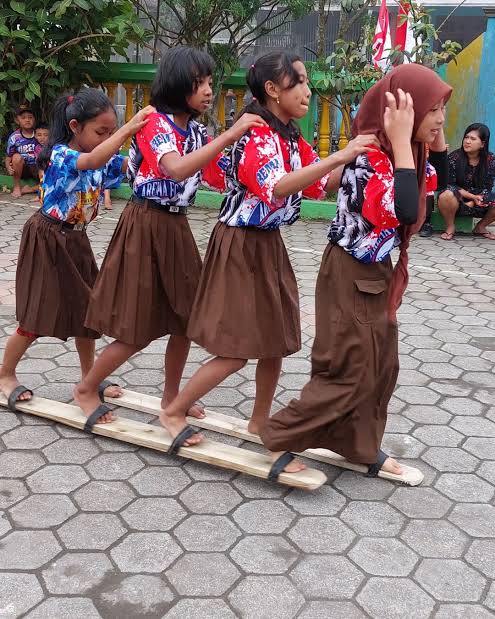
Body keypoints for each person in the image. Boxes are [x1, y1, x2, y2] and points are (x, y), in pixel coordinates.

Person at [159, 51, 379, 452]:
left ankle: (259, 420)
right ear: (273, 90)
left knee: (275, 340)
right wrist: (341, 155)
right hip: (240, 245)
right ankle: (174, 411)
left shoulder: (290, 135)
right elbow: (277, 185)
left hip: (268, 243)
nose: (309, 91)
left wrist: (364, 153)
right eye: (300, 82)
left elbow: (319, 183)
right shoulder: (257, 134)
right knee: (237, 350)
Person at [258, 63, 452, 479]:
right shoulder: (372, 159)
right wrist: (401, 140)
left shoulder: (410, 157)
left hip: (376, 273)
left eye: (441, 109)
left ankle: (358, 445)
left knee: (381, 366)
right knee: (348, 369)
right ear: (402, 113)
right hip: (350, 273)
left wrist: (426, 135)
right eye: (433, 109)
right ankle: (279, 436)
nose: (440, 119)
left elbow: (440, 182)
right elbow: (403, 210)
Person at [74, 46, 266, 430]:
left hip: (177, 228)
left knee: (185, 320)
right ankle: (85, 388)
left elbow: (220, 175)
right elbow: (175, 169)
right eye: (201, 83)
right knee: (137, 327)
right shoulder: (154, 124)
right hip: (144, 226)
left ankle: (171, 397)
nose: (210, 89)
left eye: (210, 81)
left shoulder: (197, 132)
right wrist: (230, 134)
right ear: (179, 85)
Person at [0, 89, 153, 412]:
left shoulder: (101, 155)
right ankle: (5, 374)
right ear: (74, 126)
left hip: (76, 240)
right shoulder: (61, 155)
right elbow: (93, 160)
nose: (107, 138)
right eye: (101, 132)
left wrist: (154, 145)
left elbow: (126, 167)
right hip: (47, 238)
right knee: (36, 316)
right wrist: (130, 129)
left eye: (111, 132)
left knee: (90, 312)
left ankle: (89, 378)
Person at [438, 123, 495, 240]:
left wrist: (474, 201)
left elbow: (487, 188)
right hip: (455, 204)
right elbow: (449, 185)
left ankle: (481, 227)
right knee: (446, 194)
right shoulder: (454, 158)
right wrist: (471, 197)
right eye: (466, 137)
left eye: (473, 139)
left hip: (479, 202)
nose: (467, 141)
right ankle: (450, 226)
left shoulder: (490, 160)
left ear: (482, 144)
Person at [5, 106, 40, 198]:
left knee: (53, 181)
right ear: (17, 121)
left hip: (38, 168)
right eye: (23, 118)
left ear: (34, 120)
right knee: (16, 157)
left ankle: (29, 189)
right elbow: (8, 157)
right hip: (22, 169)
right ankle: (17, 187)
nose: (27, 120)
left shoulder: (40, 134)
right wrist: (8, 167)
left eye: (30, 117)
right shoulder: (14, 137)